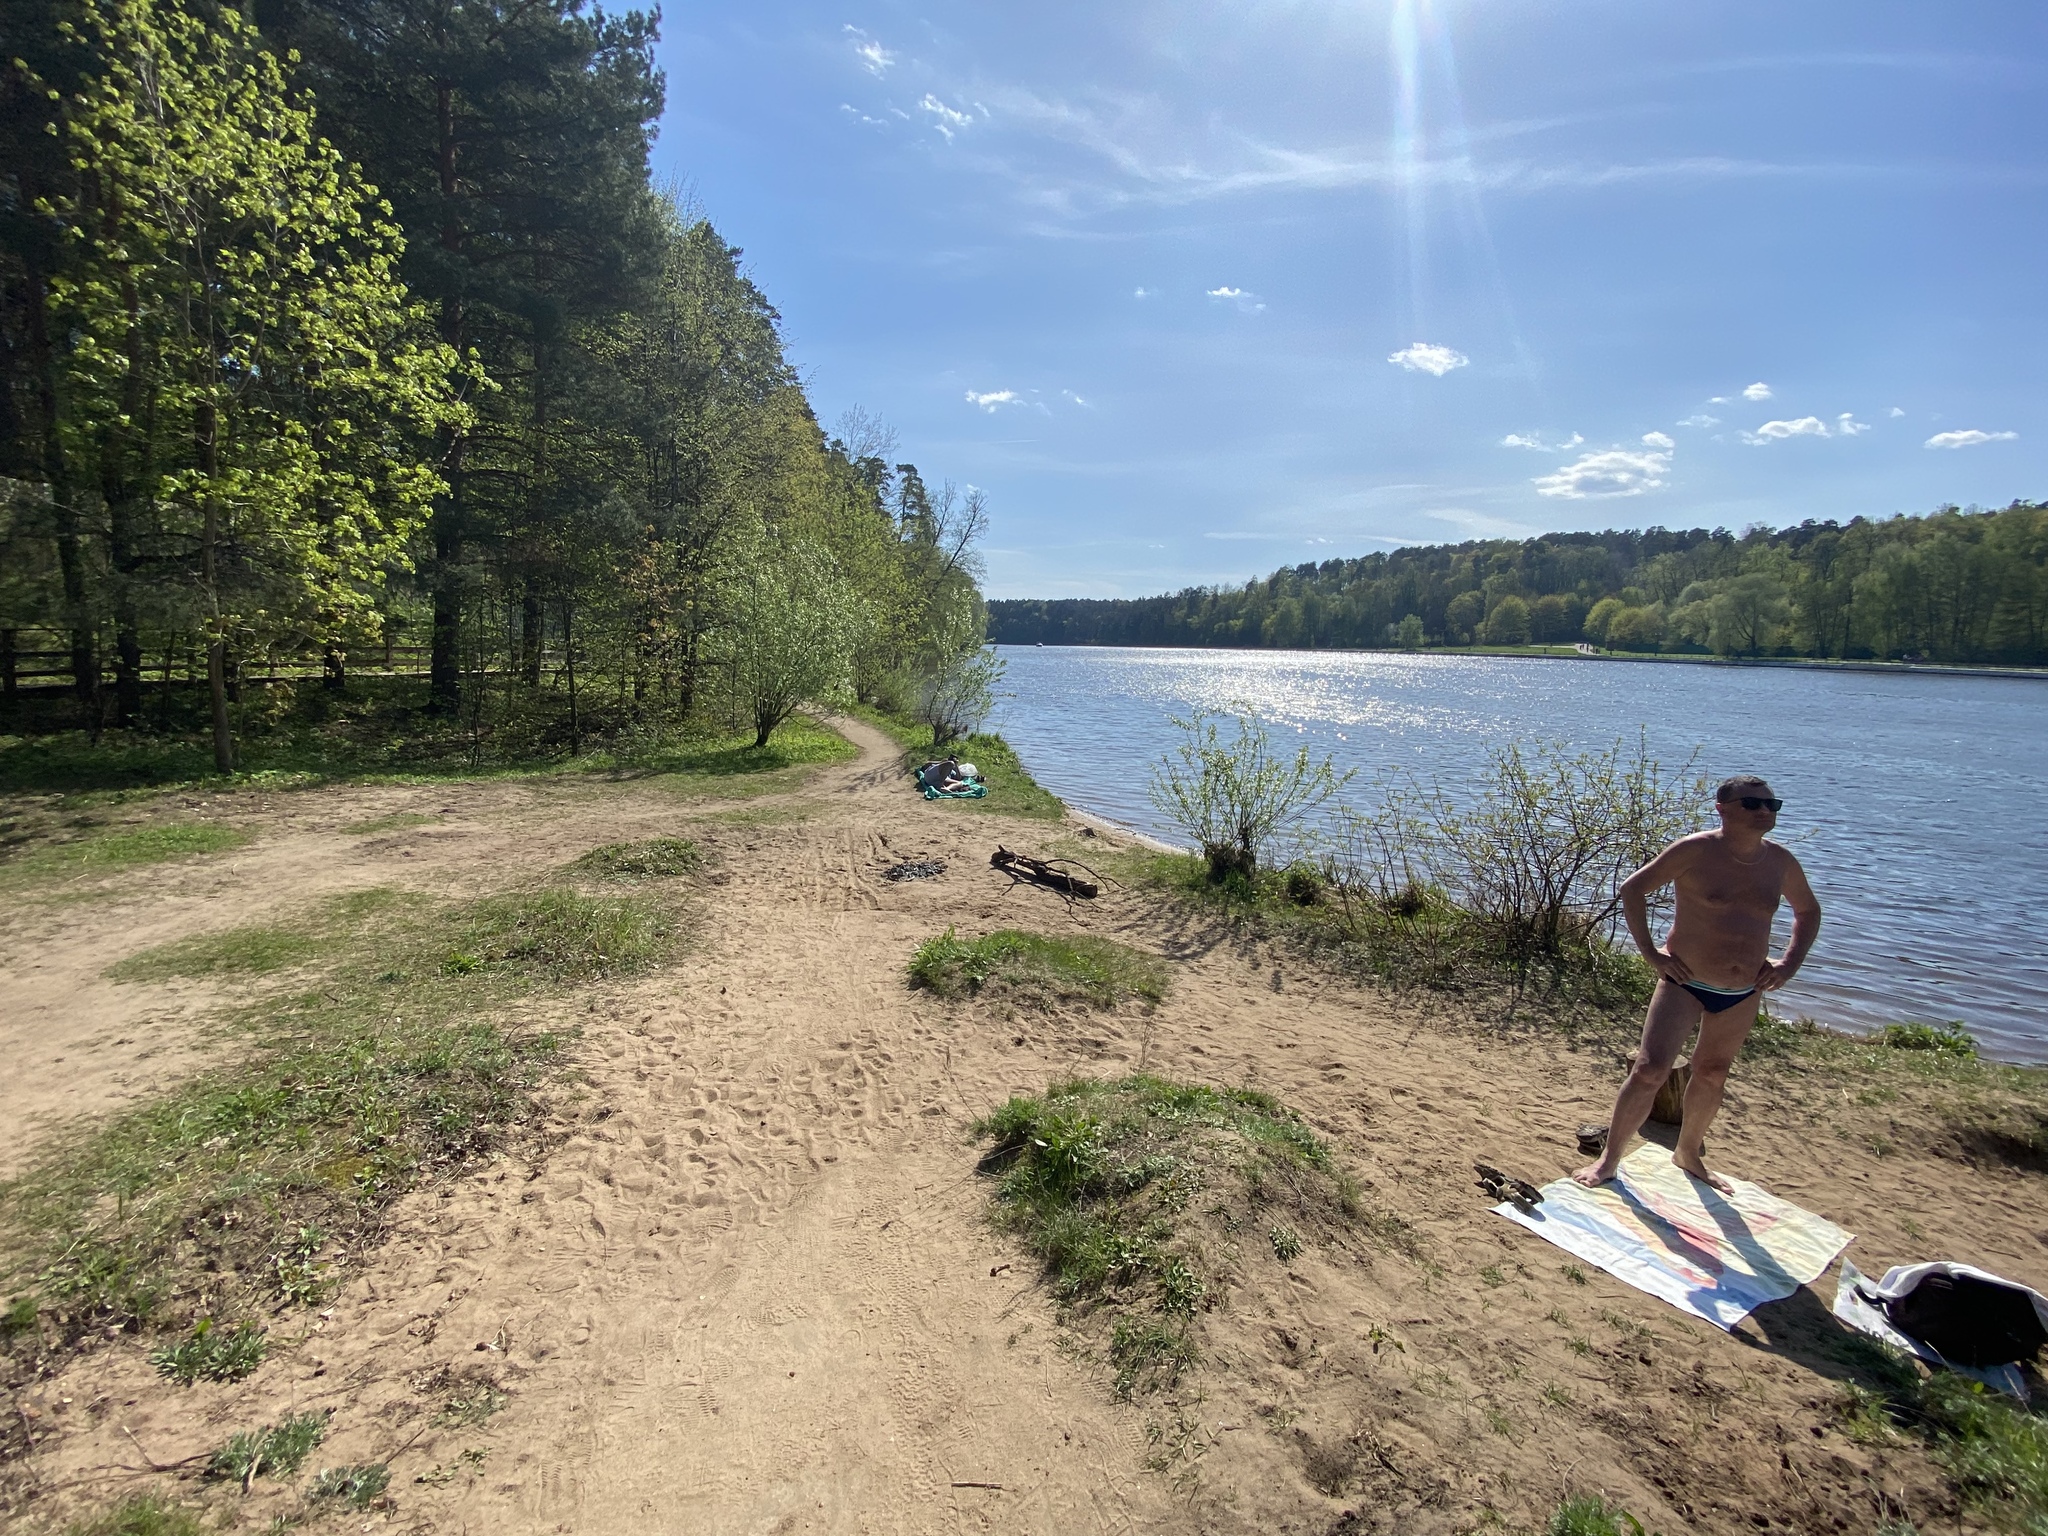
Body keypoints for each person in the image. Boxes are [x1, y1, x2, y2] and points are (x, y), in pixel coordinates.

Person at [1572, 774, 1821, 1192]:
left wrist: (1788, 963)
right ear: (1722, 809)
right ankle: (1608, 1161)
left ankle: (1688, 1153)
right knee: (1651, 1070)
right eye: (1753, 804)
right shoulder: (1695, 850)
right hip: (1684, 983)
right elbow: (1633, 889)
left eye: (1772, 805)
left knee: (1712, 1072)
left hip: (1743, 991)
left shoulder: (1780, 862)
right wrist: (1652, 954)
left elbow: (1808, 912)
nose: (1765, 811)